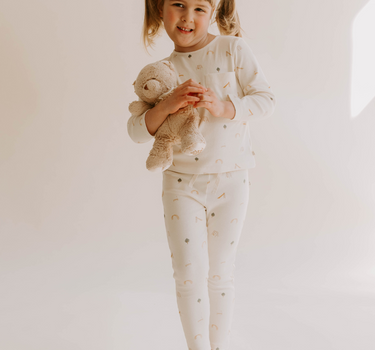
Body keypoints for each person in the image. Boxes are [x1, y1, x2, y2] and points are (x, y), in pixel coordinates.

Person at [127, 1, 276, 349]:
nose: (187, 17)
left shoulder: (232, 48)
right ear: (159, 9)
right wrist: (166, 105)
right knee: (187, 276)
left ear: (213, 12)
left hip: (232, 180)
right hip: (181, 185)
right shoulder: (161, 70)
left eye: (199, 8)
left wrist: (225, 107)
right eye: (178, 4)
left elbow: (266, 99)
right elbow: (136, 131)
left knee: (221, 274)